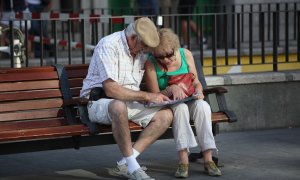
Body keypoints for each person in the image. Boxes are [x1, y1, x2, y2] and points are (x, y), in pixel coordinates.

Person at [80, 17, 173, 180]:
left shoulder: (140, 49)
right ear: (133, 38)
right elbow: (111, 90)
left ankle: (125, 164)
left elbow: (172, 55)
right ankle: (133, 168)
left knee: (165, 115)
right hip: (97, 102)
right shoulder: (109, 45)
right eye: (144, 46)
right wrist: (146, 95)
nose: (145, 50)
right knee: (118, 106)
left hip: (128, 101)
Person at [144, 28, 221, 178]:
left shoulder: (185, 54)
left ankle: (208, 159)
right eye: (160, 56)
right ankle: (183, 161)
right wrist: (171, 88)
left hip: (190, 98)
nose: (166, 59)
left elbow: (196, 82)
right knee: (180, 109)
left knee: (203, 106)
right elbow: (154, 95)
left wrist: (199, 91)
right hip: (169, 103)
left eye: (169, 54)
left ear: (175, 48)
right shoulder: (150, 64)